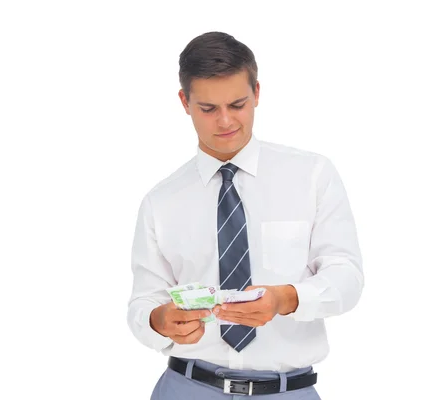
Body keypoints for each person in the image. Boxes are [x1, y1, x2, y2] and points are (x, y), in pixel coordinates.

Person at [126, 31, 364, 399]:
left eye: (237, 104)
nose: (224, 121)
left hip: (288, 390)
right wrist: (158, 321)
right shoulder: (161, 201)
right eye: (208, 108)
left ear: (257, 93)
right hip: (187, 387)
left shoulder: (312, 175)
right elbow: (144, 302)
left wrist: (286, 299)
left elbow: (347, 278)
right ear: (184, 102)